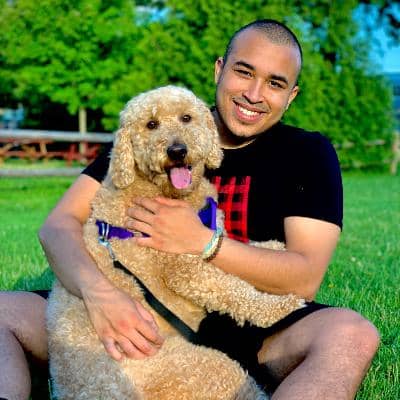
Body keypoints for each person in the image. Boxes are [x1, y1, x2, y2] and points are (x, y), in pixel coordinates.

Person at [0, 19, 379, 400]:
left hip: (251, 330)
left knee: (352, 334)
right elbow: (57, 226)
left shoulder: (307, 153)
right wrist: (101, 296)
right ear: (219, 69)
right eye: (244, 72)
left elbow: (304, 277)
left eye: (275, 83)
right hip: (133, 311)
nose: (254, 94)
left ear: (291, 95)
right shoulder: (156, 131)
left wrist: (203, 242)